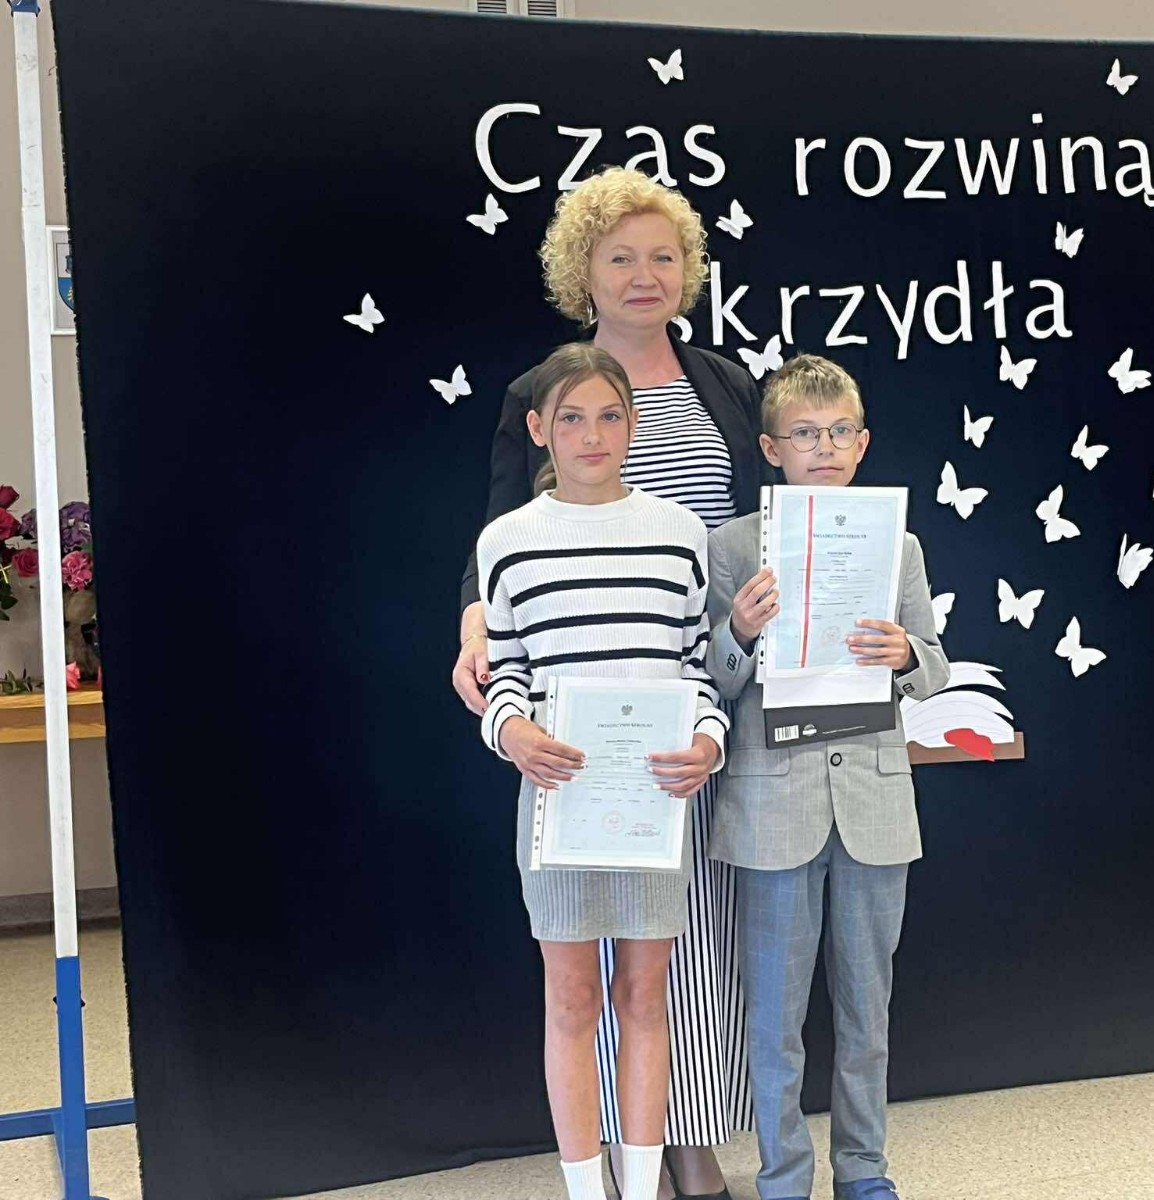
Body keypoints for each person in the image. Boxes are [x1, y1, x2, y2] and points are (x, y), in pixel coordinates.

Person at [455, 166, 761, 1199]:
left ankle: (690, 1135)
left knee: (692, 932)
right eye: (619, 256)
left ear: (689, 270)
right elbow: (498, 541)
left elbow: (752, 527)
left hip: (701, 676)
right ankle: (623, 1164)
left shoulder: (724, 383)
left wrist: (725, 679)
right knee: (596, 963)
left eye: (662, 256)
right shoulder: (536, 393)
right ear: (579, 271)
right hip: (580, 695)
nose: (643, 275)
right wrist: (477, 632)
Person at [475, 342, 727, 1200]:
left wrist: (708, 740)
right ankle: (588, 1189)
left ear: (633, 423)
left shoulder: (678, 534)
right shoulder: (508, 540)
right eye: (572, 418)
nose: (593, 435)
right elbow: (507, 668)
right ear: (538, 429)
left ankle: (644, 1180)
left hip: (653, 803)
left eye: (610, 416)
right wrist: (511, 730)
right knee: (572, 997)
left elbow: (695, 666)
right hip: (558, 801)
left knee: (646, 994)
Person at [706, 355, 950, 1200]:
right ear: (772, 448)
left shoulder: (898, 544)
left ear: (863, 443)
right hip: (774, 806)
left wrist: (907, 653)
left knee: (865, 1010)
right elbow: (712, 682)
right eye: (806, 433)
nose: (825, 447)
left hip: (874, 801)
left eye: (841, 431)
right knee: (774, 1017)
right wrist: (738, 632)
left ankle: (865, 1172)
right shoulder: (732, 546)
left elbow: (934, 669)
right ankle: (783, 1177)